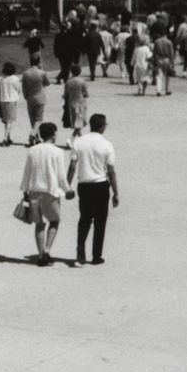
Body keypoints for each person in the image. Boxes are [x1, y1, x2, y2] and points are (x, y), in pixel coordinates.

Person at [19, 121, 76, 266]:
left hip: (34, 190)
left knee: (39, 224)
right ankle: (48, 250)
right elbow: (61, 175)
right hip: (51, 191)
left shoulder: (32, 150)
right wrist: (67, 190)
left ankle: (40, 254)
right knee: (54, 221)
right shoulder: (58, 151)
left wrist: (25, 190)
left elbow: (27, 171)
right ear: (53, 134)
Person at [67, 113, 119, 265]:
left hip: (84, 185)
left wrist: (67, 186)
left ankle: (80, 251)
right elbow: (111, 171)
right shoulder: (107, 144)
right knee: (100, 222)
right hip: (101, 185)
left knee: (84, 220)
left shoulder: (79, 142)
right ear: (102, 126)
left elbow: (72, 167)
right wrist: (116, 193)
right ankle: (96, 255)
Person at [20, 56, 50, 146]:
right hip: (40, 97)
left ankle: (36, 138)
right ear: (38, 62)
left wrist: (26, 96)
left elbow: (24, 87)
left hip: (30, 98)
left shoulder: (26, 73)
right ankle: (33, 134)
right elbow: (47, 83)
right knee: (39, 119)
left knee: (32, 119)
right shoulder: (42, 73)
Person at [0, 62, 22, 146]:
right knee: (10, 121)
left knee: (6, 120)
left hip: (2, 100)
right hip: (11, 100)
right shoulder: (15, 78)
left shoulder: (0, 79)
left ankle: (8, 137)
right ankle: (5, 139)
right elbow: (18, 89)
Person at [62, 73, 88, 139]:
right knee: (80, 123)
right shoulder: (82, 81)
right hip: (80, 103)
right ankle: (71, 139)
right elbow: (86, 94)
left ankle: (81, 139)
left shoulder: (68, 82)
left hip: (71, 104)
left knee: (77, 122)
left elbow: (65, 95)